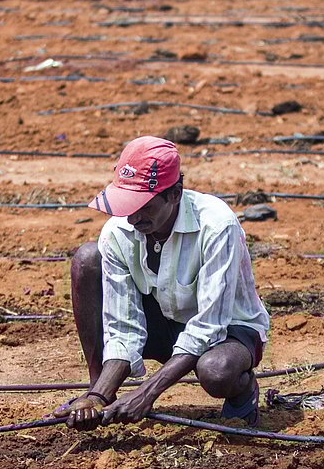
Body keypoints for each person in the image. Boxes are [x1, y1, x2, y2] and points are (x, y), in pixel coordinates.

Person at [56, 136, 270, 431]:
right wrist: (98, 396)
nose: (133, 216)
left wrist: (147, 392)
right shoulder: (118, 231)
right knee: (87, 258)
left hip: (227, 328)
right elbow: (123, 325)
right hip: (164, 319)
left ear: (175, 194)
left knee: (216, 372)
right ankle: (99, 389)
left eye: (142, 205)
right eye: (126, 204)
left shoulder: (217, 225)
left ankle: (242, 391)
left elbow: (209, 325)